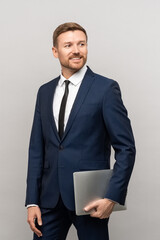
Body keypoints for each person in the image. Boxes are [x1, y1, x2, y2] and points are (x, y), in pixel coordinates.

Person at [25, 22, 136, 240]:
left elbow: (126, 148)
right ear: (55, 52)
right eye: (68, 45)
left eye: (81, 44)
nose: (76, 50)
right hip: (49, 200)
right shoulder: (45, 92)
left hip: (91, 200)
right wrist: (32, 201)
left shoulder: (105, 89)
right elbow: (37, 149)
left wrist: (111, 197)